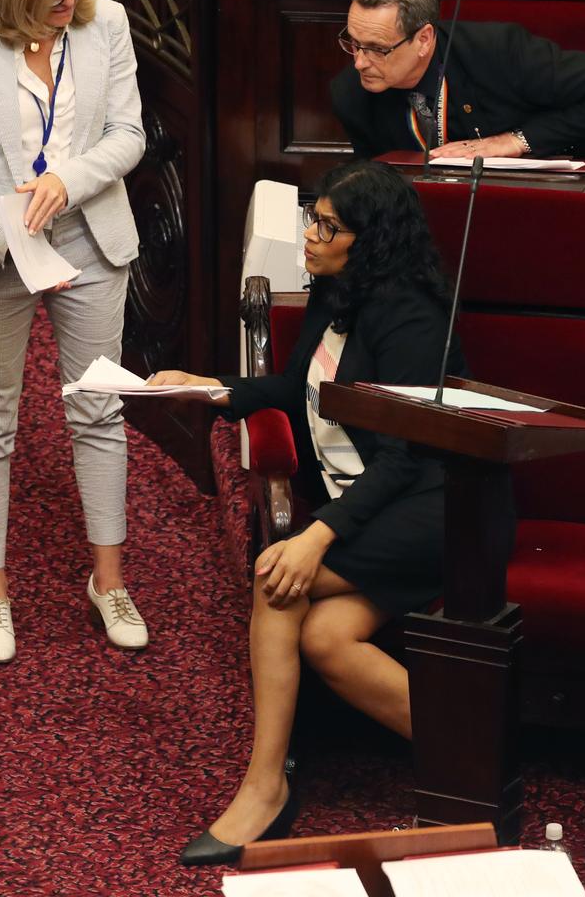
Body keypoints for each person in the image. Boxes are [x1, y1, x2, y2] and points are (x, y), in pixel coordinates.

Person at [151, 160, 490, 866]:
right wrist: (212, 387)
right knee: (329, 637)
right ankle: (478, 766)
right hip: (372, 507)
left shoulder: (412, 316)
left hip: (436, 507)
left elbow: (403, 457)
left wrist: (314, 537)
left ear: (370, 239)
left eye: (327, 226)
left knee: (276, 580)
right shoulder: (337, 291)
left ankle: (264, 789)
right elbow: (295, 384)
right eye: (313, 217)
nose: (309, 235)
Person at [0, 0, 148, 663]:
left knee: (98, 409)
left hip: (90, 240)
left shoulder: (106, 23)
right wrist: (13, 237)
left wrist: (67, 179)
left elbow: (128, 134)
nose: (71, 4)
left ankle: (108, 581)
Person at [331, 0, 585, 161]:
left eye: (377, 49)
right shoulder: (351, 94)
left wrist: (515, 141)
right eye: (354, 43)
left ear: (423, 39)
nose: (359, 63)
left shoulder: (499, 51)